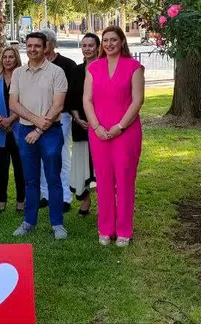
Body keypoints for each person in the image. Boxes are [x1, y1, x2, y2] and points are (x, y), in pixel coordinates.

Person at [83, 25, 144, 247]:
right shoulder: (93, 68)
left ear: (122, 42)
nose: (109, 44)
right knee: (104, 181)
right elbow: (87, 100)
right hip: (98, 132)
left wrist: (120, 126)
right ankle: (106, 228)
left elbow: (137, 101)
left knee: (125, 180)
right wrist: (96, 126)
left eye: (114, 40)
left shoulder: (134, 67)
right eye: (106, 40)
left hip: (125, 133)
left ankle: (124, 230)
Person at [9, 32, 69, 240]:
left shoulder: (57, 72)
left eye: (37, 46)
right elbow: (13, 104)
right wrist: (35, 122)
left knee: (53, 178)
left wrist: (40, 129)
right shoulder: (18, 73)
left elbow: (58, 105)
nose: (33, 49)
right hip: (26, 132)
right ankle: (29, 222)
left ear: (46, 48)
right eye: (30, 45)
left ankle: (57, 223)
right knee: (30, 179)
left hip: (51, 132)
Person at [41, 29, 76, 212]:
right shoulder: (35, 64)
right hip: (38, 117)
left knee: (60, 155)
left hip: (61, 116)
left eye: (44, 42)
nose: (41, 46)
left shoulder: (67, 65)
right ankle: (45, 194)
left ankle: (65, 197)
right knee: (42, 156)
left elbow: (72, 93)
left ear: (52, 43)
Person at [0, 46, 25, 213]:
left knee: (20, 168)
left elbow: (25, 103)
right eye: (5, 57)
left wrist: (10, 119)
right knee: (1, 168)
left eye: (11, 57)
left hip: (19, 128)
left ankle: (21, 200)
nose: (8, 60)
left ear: (16, 59)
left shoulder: (24, 78)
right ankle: (1, 200)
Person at [68, 33, 100, 216]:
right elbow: (71, 98)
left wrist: (96, 121)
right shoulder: (76, 70)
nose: (87, 48)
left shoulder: (105, 68)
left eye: (90, 45)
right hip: (80, 124)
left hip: (101, 125)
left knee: (100, 165)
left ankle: (105, 200)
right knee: (82, 164)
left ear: (97, 47)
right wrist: (78, 118)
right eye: (84, 45)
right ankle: (85, 200)